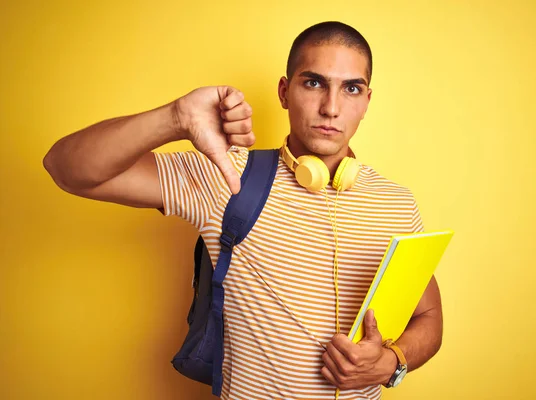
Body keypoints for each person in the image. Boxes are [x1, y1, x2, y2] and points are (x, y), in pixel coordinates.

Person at [43, 21, 443, 400]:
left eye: (351, 88)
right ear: (285, 92)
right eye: (314, 82)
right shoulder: (227, 173)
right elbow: (69, 169)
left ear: (367, 100)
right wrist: (175, 118)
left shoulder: (397, 202)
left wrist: (392, 361)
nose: (331, 108)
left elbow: (428, 316)